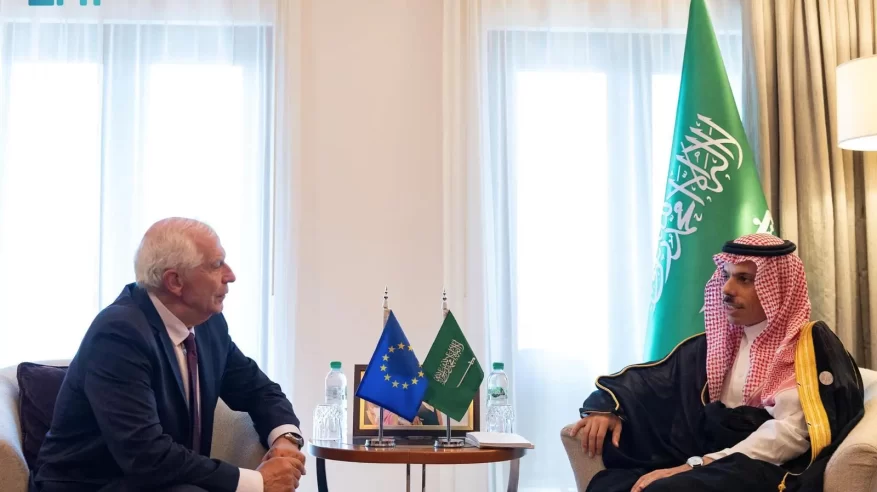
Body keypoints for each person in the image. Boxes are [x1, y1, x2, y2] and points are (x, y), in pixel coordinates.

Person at [571, 234, 864, 492]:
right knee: (614, 483)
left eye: (744, 279)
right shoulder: (716, 343)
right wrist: (608, 406)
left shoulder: (806, 349)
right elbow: (653, 381)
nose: (727, 289)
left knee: (668, 489)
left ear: (779, 288)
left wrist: (698, 465)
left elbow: (790, 435)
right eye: (726, 276)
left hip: (764, 466)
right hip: (709, 456)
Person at [31, 218, 306, 492]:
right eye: (216, 265)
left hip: (163, 481)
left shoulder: (208, 325)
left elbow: (259, 390)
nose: (230, 275)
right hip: (93, 484)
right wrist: (257, 482)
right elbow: (145, 454)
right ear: (175, 281)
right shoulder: (119, 334)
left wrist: (285, 440)